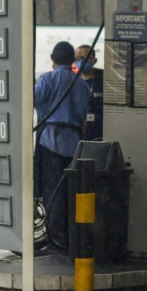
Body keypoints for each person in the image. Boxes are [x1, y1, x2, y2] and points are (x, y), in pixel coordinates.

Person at [34, 41, 91, 252]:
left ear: (52, 58)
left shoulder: (48, 79)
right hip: (74, 143)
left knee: (53, 192)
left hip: (51, 142)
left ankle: (56, 241)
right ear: (73, 60)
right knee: (70, 192)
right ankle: (69, 238)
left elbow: (31, 98)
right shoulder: (82, 85)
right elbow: (84, 118)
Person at [75, 44, 104, 141]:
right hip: (78, 131)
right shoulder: (72, 80)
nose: (81, 61)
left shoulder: (104, 78)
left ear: (94, 61)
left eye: (86, 58)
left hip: (100, 131)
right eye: (78, 58)